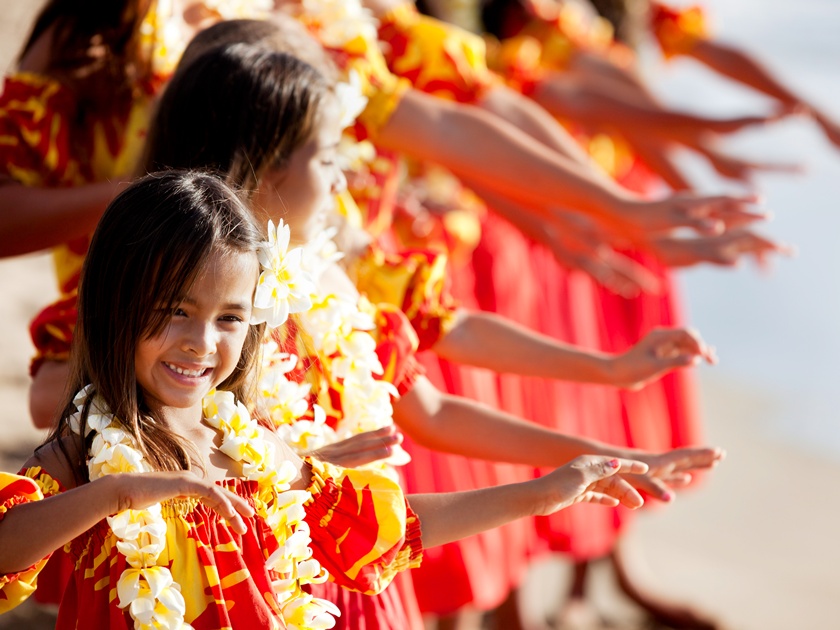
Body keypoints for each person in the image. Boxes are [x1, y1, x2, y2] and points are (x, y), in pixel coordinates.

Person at [143, 40, 725, 627]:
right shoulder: (203, 310)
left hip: (356, 572)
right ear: (269, 163)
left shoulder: (331, 277)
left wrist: (600, 450)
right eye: (327, 159)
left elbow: (435, 412)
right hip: (252, 583)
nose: (345, 178)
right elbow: (154, 449)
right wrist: (288, 468)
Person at [0, 170, 657, 629]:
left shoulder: (250, 448)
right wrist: (119, 494)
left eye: (229, 318)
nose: (201, 342)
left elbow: (393, 526)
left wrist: (546, 491)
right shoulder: (87, 452)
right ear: (117, 304)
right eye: (175, 310)